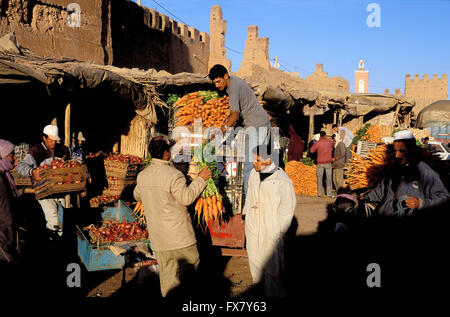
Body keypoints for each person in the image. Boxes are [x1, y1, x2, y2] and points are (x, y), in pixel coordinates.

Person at [133, 136, 212, 297]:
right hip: (180, 239)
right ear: (166, 153)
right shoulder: (173, 174)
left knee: (168, 282)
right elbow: (187, 198)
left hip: (159, 241)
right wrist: (200, 179)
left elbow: (137, 195)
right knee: (189, 280)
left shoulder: (142, 176)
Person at [208, 64, 270, 196]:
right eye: (214, 83)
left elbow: (235, 115)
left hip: (256, 126)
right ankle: (260, 198)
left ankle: (250, 205)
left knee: (249, 166)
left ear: (226, 76)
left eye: (218, 81)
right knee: (260, 164)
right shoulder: (235, 82)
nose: (217, 85)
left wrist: (221, 130)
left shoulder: (233, 88)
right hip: (260, 123)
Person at [244, 144, 296, 297]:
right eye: (253, 160)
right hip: (253, 224)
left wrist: (279, 230)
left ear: (268, 160)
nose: (254, 163)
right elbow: (249, 196)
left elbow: (287, 209)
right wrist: (246, 215)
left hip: (271, 228)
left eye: (258, 160)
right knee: (254, 260)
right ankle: (258, 293)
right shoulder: (254, 174)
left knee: (272, 268)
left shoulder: (282, 180)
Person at [362, 130, 450, 217]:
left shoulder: (426, 173)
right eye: (395, 151)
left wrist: (420, 203)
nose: (397, 156)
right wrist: (363, 197)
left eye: (401, 151)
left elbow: (444, 197)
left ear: (412, 150)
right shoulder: (394, 170)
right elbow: (380, 192)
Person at [16, 125, 70, 240]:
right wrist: (32, 171)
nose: (54, 143)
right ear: (44, 138)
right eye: (51, 140)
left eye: (55, 140)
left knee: (65, 217)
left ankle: (64, 244)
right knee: (53, 219)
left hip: (61, 190)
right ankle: (53, 242)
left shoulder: (63, 149)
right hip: (44, 191)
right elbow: (20, 168)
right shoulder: (36, 151)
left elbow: (74, 161)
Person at [0, 139, 19, 263]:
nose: (14, 158)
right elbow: (5, 214)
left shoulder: (4, 176)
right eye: (11, 155)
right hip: (3, 239)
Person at [310, 131, 334, 198]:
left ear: (320, 136)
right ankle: (329, 193)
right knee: (329, 178)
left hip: (320, 162)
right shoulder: (329, 142)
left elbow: (311, 151)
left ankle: (319, 193)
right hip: (328, 162)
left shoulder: (317, 143)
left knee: (319, 178)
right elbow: (334, 145)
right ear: (325, 135)